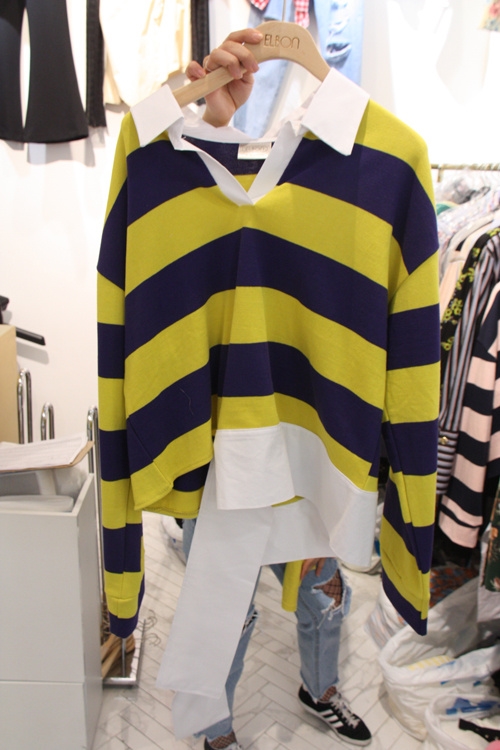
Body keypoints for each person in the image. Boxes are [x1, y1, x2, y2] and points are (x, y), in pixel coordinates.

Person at [163, 30, 372, 749]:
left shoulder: (356, 177)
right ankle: (215, 728)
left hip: (307, 426)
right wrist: (209, 119)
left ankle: (322, 688)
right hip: (214, 432)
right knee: (224, 591)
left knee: (320, 580)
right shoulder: (172, 177)